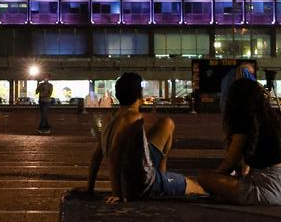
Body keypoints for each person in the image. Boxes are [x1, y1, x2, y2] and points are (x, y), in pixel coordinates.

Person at [86, 72, 206, 202]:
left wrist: (89, 189)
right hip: (145, 185)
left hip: (137, 173)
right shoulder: (133, 119)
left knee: (167, 123)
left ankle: (162, 176)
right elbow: (115, 157)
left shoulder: (109, 119)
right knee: (195, 187)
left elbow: (96, 157)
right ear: (140, 94)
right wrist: (118, 194)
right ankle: (161, 183)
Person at [198, 79, 281, 206]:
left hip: (270, 190)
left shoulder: (245, 122)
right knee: (233, 183)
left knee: (204, 177)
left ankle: (227, 195)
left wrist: (215, 182)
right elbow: (246, 169)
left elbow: (230, 162)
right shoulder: (274, 121)